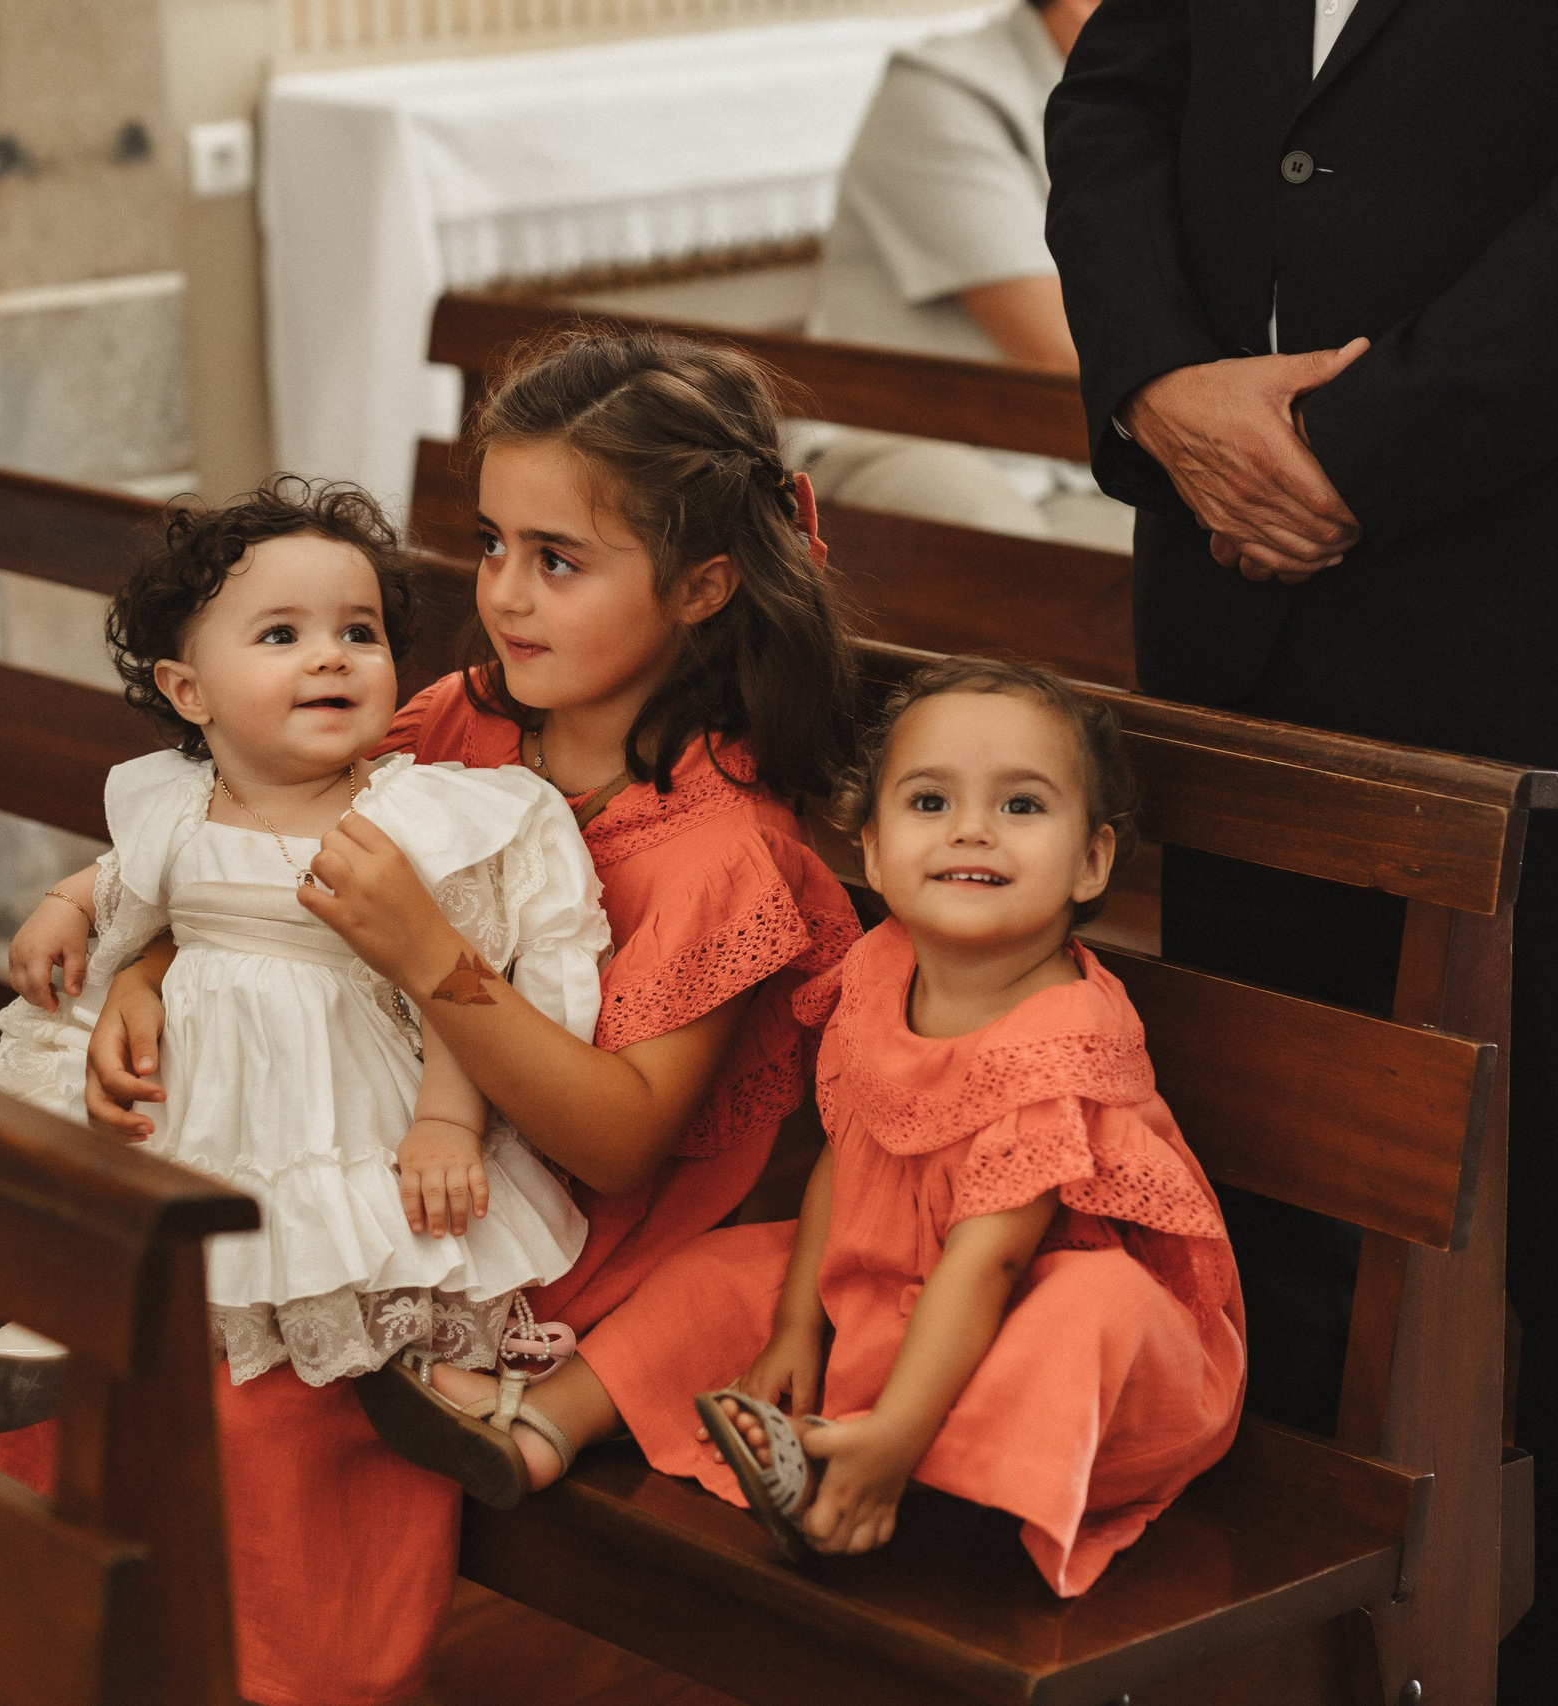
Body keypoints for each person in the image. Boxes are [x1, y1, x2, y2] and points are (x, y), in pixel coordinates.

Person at [1044, 2, 1558, 1698]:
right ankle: (1280, 1652)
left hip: (1551, 620)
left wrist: (1348, 458)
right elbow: (1116, 102)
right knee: (1249, 1173)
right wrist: (1159, 393)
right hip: (1238, 613)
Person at [73, 330, 864, 1706]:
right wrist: (144, 980)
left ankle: (294, 1679)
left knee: (239, 1382)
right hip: (340, 1149)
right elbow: (258, 858)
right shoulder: (457, 723)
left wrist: (432, 954)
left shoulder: (724, 855)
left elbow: (618, 1145)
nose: (502, 593)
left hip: (517, 1232)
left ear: (702, 584)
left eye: (558, 559)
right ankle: (78, 1639)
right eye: (493, 543)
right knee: (111, 1302)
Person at [370, 659, 1245, 1597]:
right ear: (871, 850)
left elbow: (990, 1266)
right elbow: (853, 1151)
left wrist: (896, 1426)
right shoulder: (882, 969)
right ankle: (546, 1424)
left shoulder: (1061, 1039)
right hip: (912, 1286)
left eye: (1023, 807)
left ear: (1093, 862)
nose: (973, 829)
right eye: (930, 801)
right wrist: (794, 1324)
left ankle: (883, 1469)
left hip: (1082, 1354)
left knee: (1085, 1313)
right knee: (719, 1275)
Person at [0, 483, 610, 1450]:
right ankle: (60, 1328)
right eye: (280, 636)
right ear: (188, 692)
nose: (332, 655)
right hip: (201, 1081)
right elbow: (125, 881)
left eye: (359, 633)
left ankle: (425, 1371)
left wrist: (448, 1122)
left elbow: (461, 974)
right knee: (116, 1175)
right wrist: (65, 906)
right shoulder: (178, 803)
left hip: (342, 1086)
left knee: (356, 1230)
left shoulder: (410, 814)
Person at [793, 0, 1132, 551]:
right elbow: (1058, 349)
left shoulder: (1175, 95)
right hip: (909, 438)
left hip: (1074, 457)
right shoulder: (940, 90)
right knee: (1016, 555)